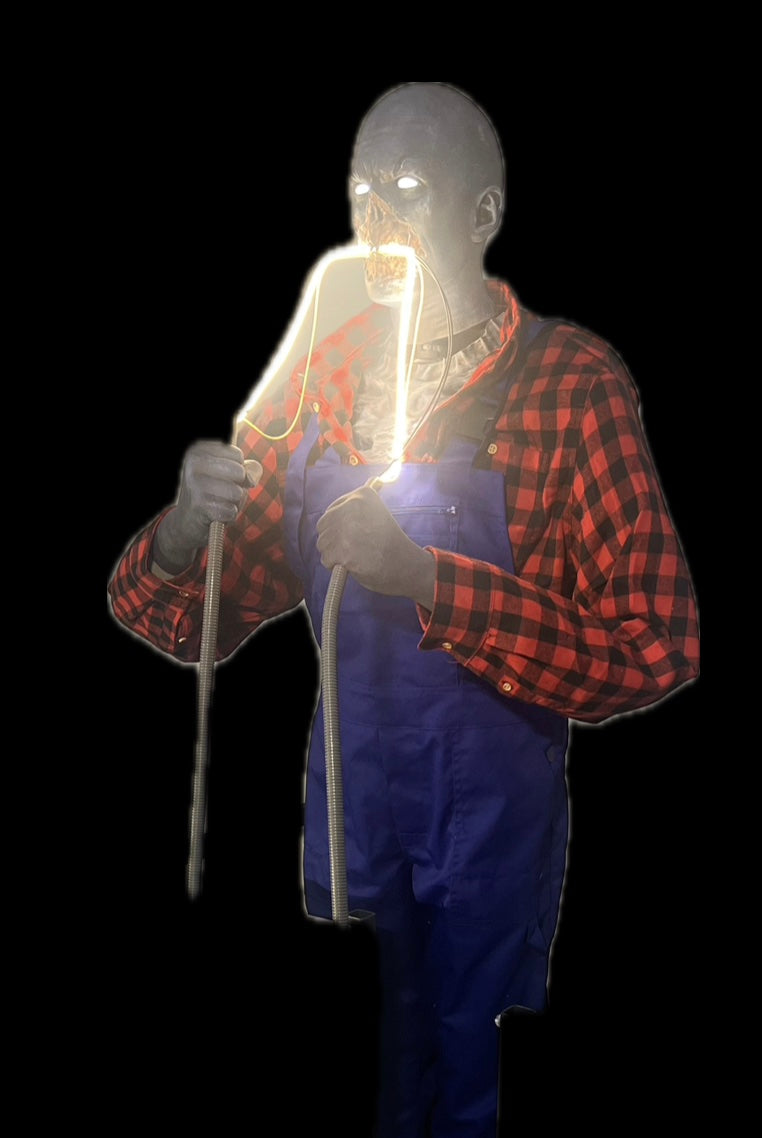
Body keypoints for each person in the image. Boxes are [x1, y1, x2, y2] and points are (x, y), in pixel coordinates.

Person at [108, 81, 700, 1137]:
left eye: (410, 186)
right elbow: (187, 618)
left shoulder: (572, 384)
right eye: (360, 190)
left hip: (489, 854)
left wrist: (431, 579)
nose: (376, 215)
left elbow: (657, 647)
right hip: (352, 835)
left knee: (471, 1096)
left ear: (484, 212)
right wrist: (189, 529)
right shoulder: (327, 378)